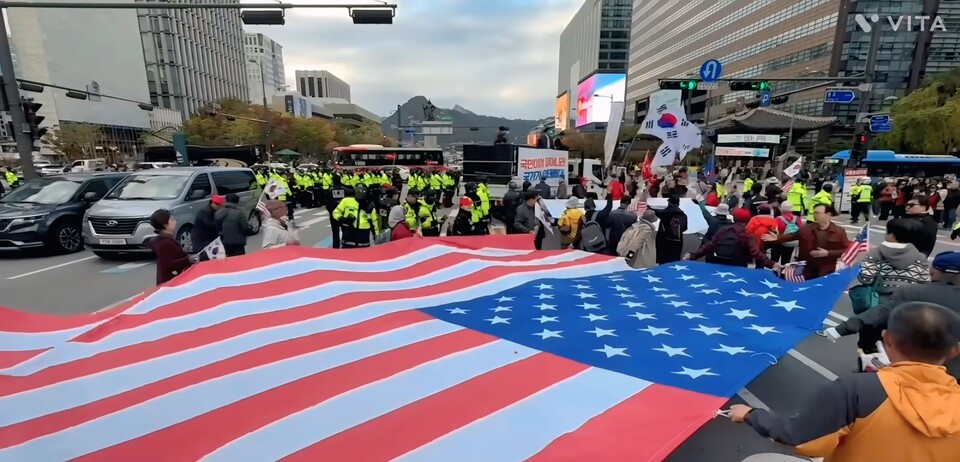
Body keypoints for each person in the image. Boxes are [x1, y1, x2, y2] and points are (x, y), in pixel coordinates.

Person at [730, 302, 960, 462]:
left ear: (887, 338)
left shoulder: (856, 389)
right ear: (954, 351)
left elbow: (796, 434)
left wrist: (750, 414)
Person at [825, 251, 960, 379]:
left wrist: (841, 329)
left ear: (935, 270)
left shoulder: (913, 293)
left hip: (914, 369)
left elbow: (880, 313)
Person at [766, 204, 849, 280]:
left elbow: (846, 250)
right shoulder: (806, 228)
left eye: (817, 213)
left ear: (828, 214)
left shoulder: (839, 232)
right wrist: (777, 238)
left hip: (826, 271)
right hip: (806, 269)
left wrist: (828, 253)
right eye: (814, 213)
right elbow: (791, 236)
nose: (814, 215)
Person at [687, 208, 781, 271]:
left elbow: (710, 245)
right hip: (738, 266)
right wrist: (772, 264)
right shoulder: (746, 234)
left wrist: (693, 256)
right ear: (747, 220)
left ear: (733, 218)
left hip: (718, 263)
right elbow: (756, 253)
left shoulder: (723, 229)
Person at [148, 209, 198, 285]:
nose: (175, 221)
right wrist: (188, 259)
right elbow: (168, 265)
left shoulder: (166, 240)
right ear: (165, 224)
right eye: (172, 219)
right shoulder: (165, 243)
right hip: (170, 284)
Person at [653, 195, 687, 264]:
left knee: (663, 262)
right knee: (674, 262)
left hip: (664, 241)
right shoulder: (683, 215)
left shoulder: (665, 213)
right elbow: (685, 228)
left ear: (669, 203)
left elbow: (655, 212)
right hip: (677, 242)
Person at [770, 201, 803, 265]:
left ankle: (773, 274)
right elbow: (801, 230)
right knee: (786, 261)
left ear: (781, 209)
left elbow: (773, 230)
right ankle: (784, 273)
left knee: (774, 261)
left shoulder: (778, 219)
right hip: (790, 242)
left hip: (778, 243)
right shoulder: (797, 218)